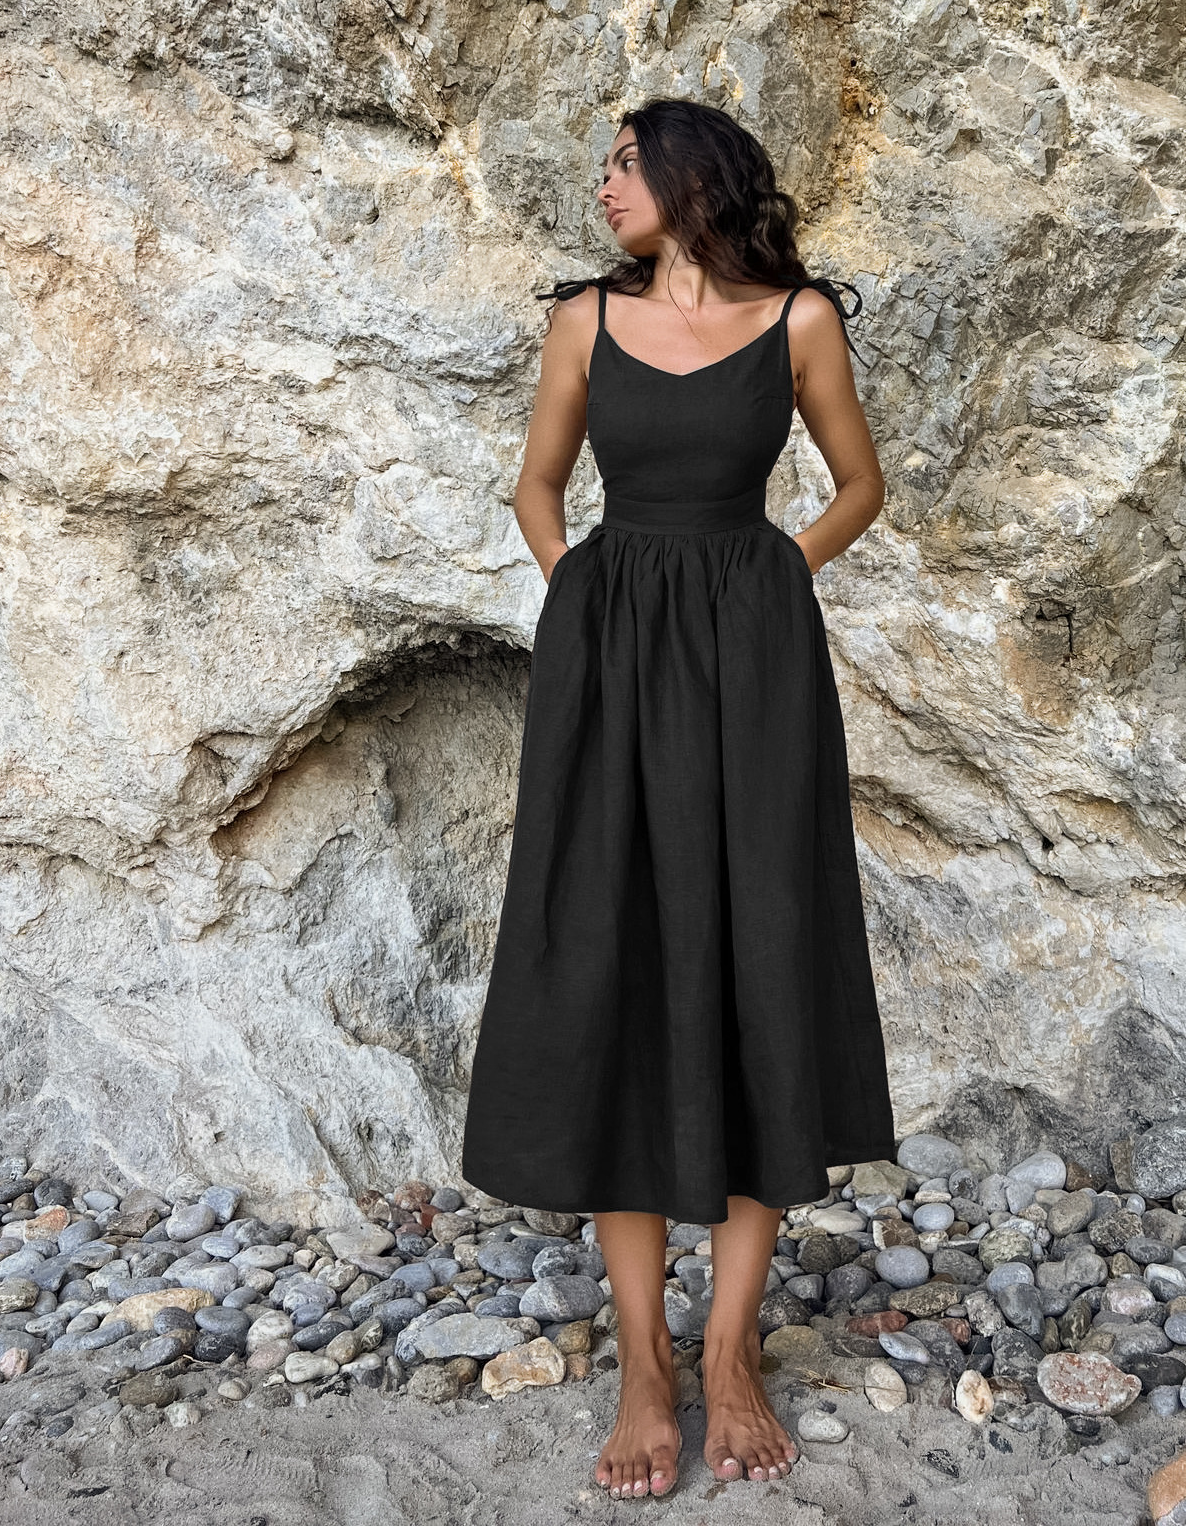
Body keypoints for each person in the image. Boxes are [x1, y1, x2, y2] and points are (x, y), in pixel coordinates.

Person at [460, 97, 897, 1500]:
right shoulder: (584, 321)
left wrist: (771, 578)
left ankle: (729, 1350)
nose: (604, 185)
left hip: (755, 677)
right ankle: (644, 1360)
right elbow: (538, 485)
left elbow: (859, 484)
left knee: (760, 964)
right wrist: (580, 597)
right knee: (621, 972)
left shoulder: (800, 321)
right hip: (613, 674)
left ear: (691, 177)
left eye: (624, 163)